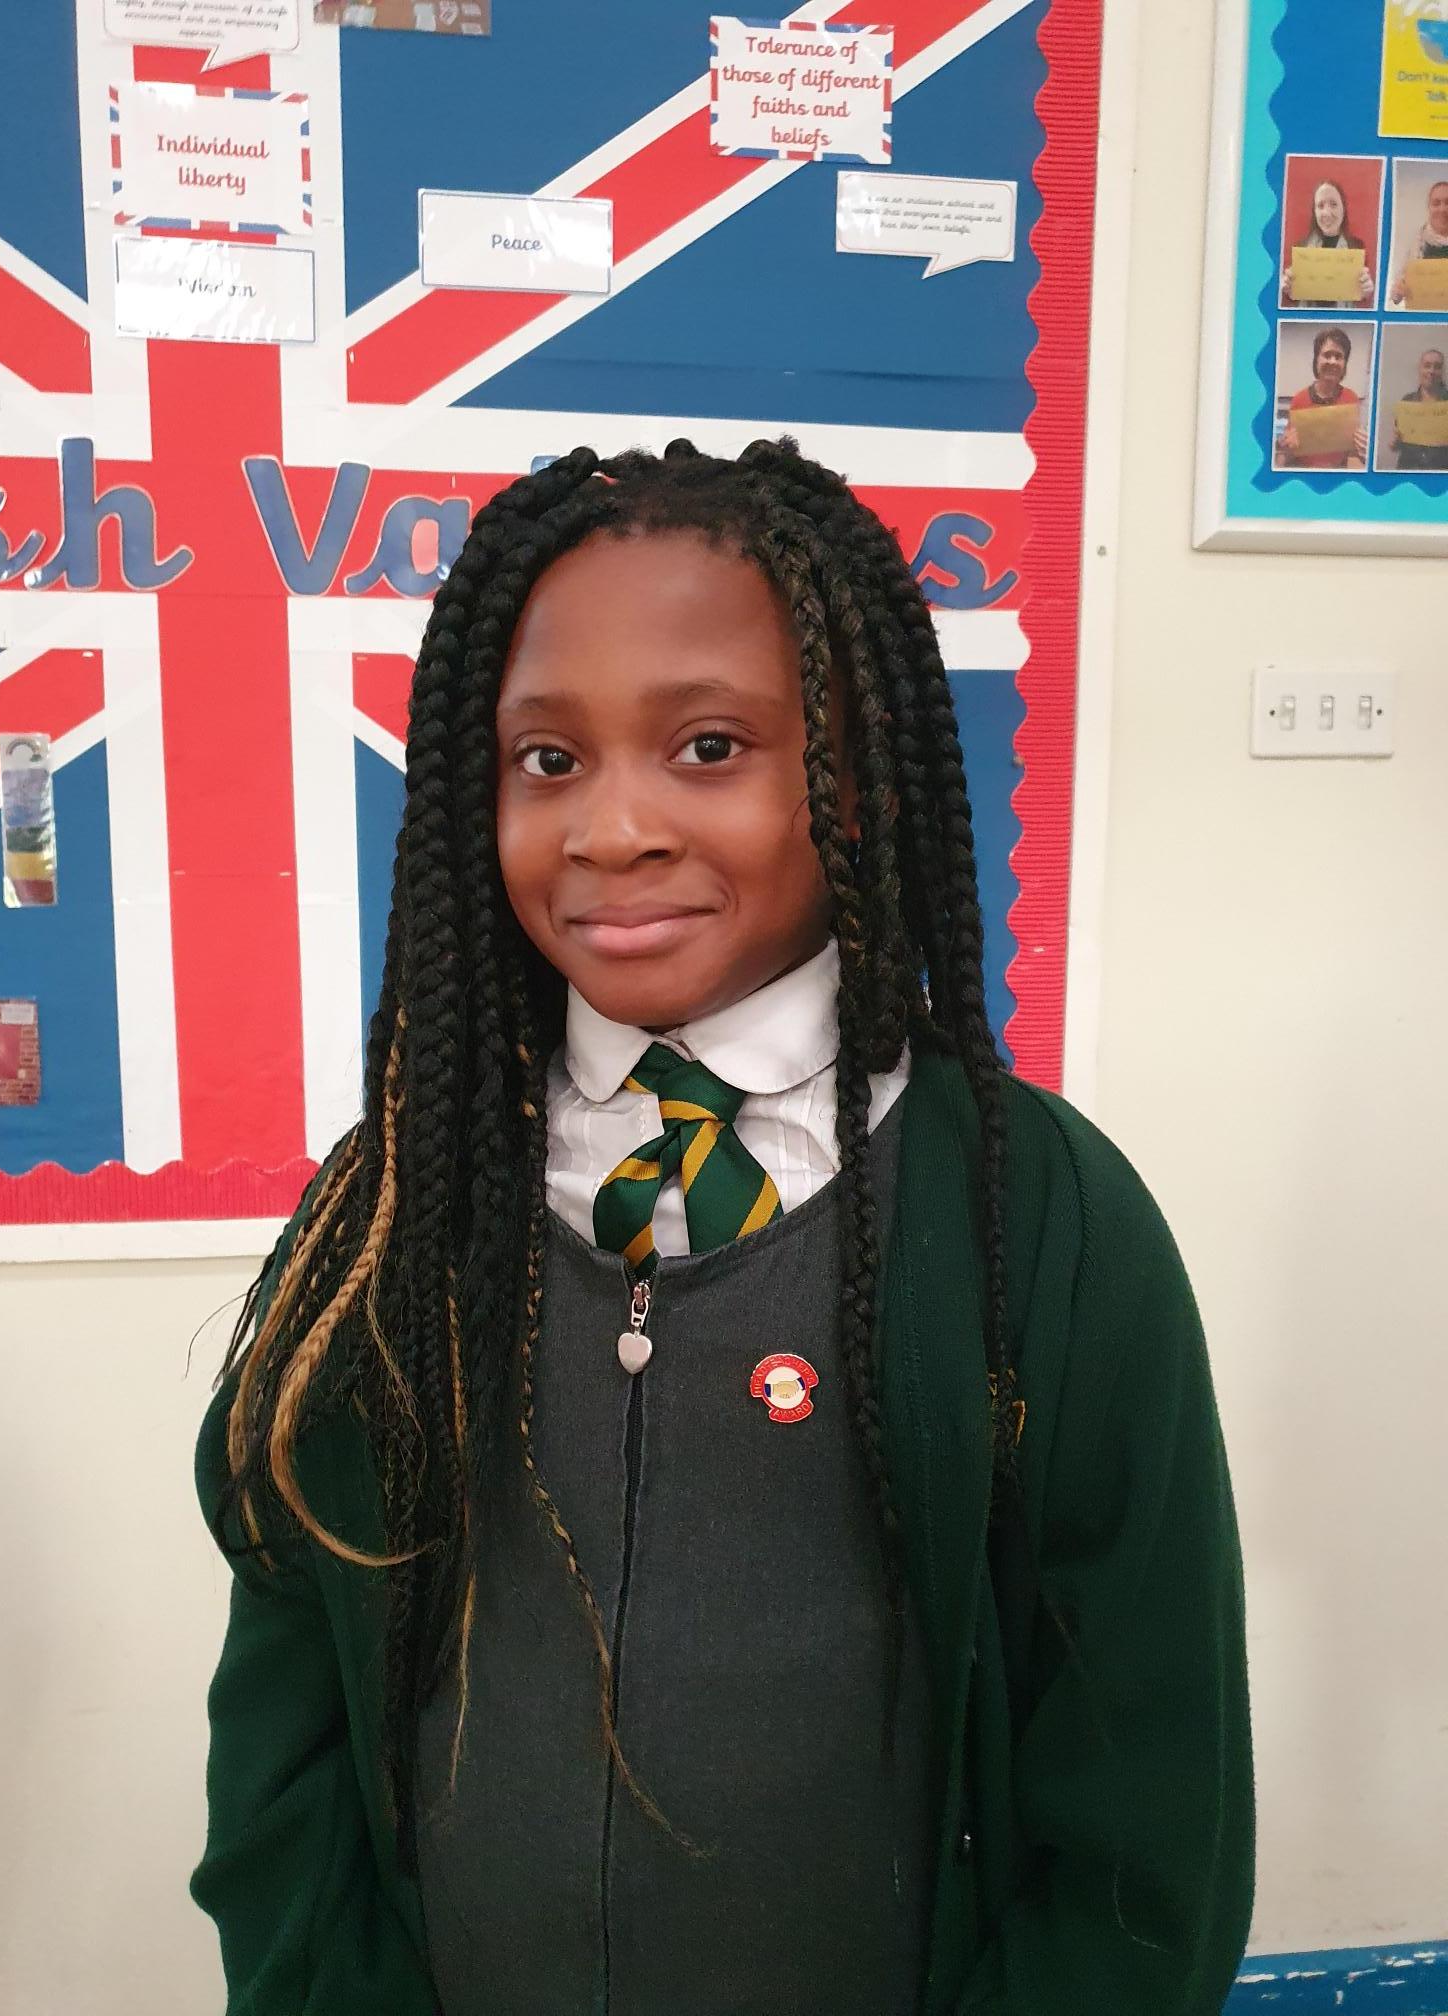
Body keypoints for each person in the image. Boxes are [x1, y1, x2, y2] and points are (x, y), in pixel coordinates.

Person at [190, 441, 1255, 2015]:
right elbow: (282, 1764)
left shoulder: (1041, 1222)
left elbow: (1148, 1829)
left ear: (857, 778)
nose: (612, 827)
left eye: (708, 746)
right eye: (547, 758)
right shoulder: (390, 1212)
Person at [1277, 326, 1370, 469]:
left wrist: (1365, 452)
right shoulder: (1299, 400)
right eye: (1327, 355)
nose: (1332, 361)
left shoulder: (1351, 399)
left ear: (1344, 363)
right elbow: (1286, 456)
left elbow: (1352, 455)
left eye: (1338, 356)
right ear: (1316, 360)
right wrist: (1286, 448)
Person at [1282, 178, 1375, 307]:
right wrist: (1287, 290)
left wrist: (1366, 291)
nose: (1327, 212)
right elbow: (1293, 299)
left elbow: (1359, 299)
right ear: (1314, 212)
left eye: (1333, 204)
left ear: (1343, 208)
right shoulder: (1300, 248)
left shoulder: (1357, 247)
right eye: (1320, 206)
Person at [1386, 345, 1448, 471]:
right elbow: (1397, 445)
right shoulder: (1407, 402)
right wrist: (1394, 443)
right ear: (1419, 369)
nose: (1431, 371)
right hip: (1409, 470)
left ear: (1442, 371)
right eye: (1427, 366)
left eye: (1437, 367)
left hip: (1440, 472)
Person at [1389, 178, 1448, 306]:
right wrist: (1398, 291)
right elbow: (1396, 296)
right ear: (1429, 208)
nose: (1443, 209)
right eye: (1436, 203)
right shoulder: (1415, 244)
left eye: (1447, 203)